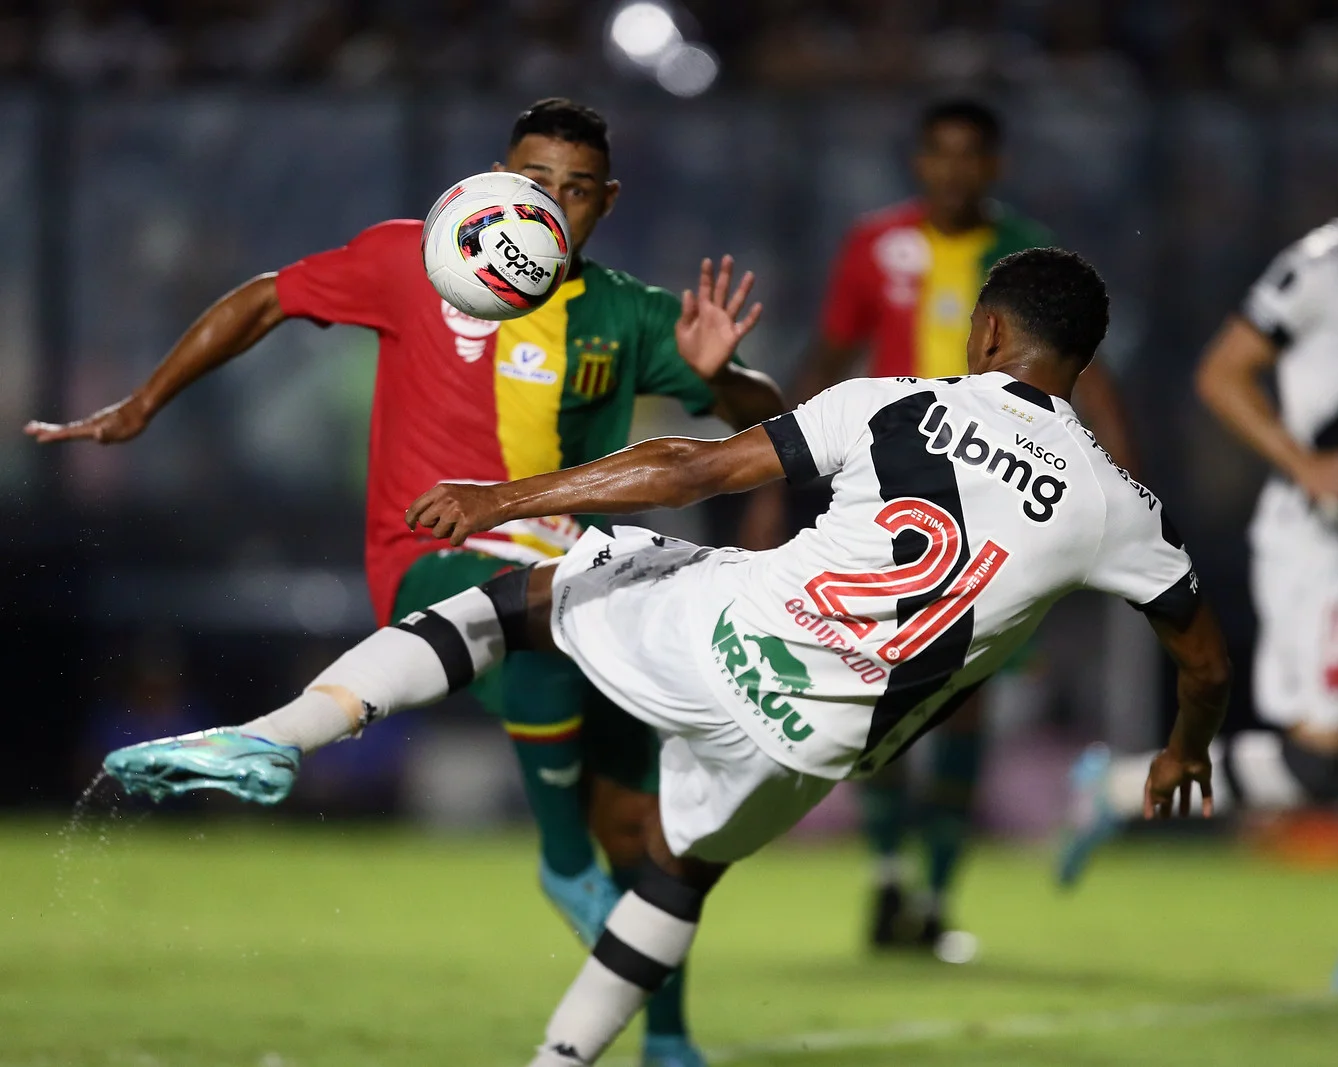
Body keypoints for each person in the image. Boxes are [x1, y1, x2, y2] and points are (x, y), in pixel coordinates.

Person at [103, 247, 1232, 1066]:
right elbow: (1202, 657)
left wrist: (510, 496)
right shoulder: (1119, 506)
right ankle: (561, 1060)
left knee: (530, 592)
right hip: (820, 739)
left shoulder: (895, 404)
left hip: (725, 632)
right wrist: (1180, 751)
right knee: (679, 873)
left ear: (986, 333)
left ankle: (276, 733)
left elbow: (691, 471)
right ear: (1081, 361)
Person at [27, 97, 784, 1067]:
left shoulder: (629, 313)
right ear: (495, 179)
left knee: (641, 829)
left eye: (575, 188)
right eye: (533, 179)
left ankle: (666, 1039)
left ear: (607, 201)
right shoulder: (416, 260)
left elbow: (763, 421)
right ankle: (539, 849)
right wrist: (142, 403)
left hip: (578, 581)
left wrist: (723, 378)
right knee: (546, 627)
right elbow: (265, 295)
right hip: (431, 553)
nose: (549, 203)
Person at [1055, 107, 1338, 996]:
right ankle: (1112, 789)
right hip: (1318, 548)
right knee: (1314, 766)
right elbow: (1221, 371)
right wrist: (1303, 461)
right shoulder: (1316, 268)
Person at [778, 97, 1142, 955]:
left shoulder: (1026, 254)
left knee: (964, 702)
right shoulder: (874, 246)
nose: (952, 170)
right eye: (937, 153)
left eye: (969, 155)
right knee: (883, 695)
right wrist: (776, 469)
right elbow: (830, 355)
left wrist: (1124, 478)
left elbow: (1091, 377)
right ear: (918, 162)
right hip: (891, 500)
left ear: (994, 166)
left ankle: (934, 896)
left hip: (999, 503)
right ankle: (887, 881)